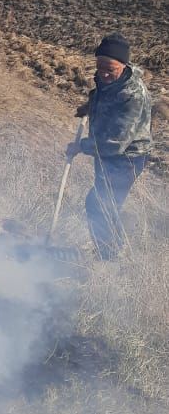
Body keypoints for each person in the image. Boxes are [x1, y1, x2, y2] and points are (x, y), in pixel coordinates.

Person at [67, 32, 152, 259]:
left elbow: (115, 143)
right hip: (106, 154)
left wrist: (81, 146)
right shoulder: (112, 80)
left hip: (127, 158)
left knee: (99, 203)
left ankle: (109, 256)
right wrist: (90, 106)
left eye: (109, 69)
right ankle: (111, 247)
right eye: (100, 66)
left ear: (123, 66)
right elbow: (103, 96)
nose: (103, 73)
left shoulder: (132, 95)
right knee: (105, 203)